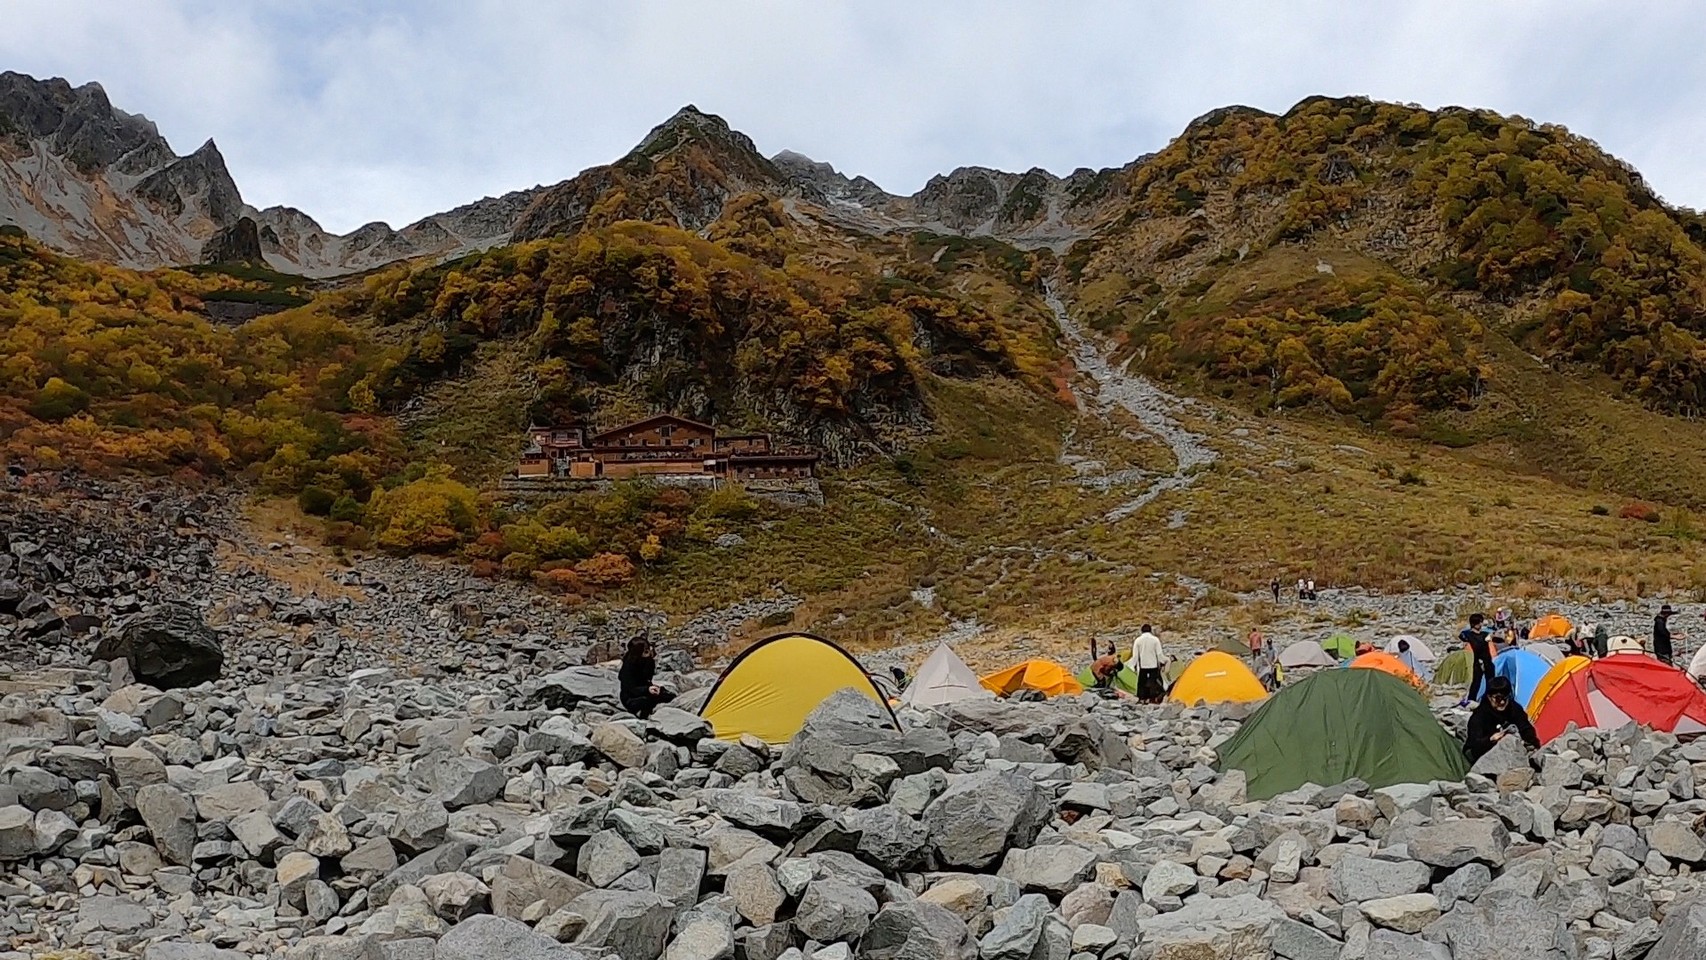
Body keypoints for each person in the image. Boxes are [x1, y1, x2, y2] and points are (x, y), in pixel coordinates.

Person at [1464, 676, 1539, 762]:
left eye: (1505, 698)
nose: (1502, 702)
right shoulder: (1479, 716)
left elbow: (1526, 729)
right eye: (1498, 699)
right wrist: (1490, 740)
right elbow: (1474, 745)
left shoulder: (1514, 709)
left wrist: (1531, 744)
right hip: (1481, 752)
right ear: (1489, 697)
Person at [618, 636, 675, 719]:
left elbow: (648, 679)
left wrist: (653, 688)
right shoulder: (628, 666)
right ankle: (642, 717)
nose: (649, 652)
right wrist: (647, 690)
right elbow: (630, 689)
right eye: (645, 651)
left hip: (645, 690)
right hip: (630, 698)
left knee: (668, 695)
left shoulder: (649, 661)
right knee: (646, 701)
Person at [1458, 613, 1496, 708]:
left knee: (1490, 682)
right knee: (1476, 682)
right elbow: (1462, 636)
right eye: (1480, 622)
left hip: (1487, 661)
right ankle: (1471, 700)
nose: (1481, 624)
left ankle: (1489, 700)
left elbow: (1491, 638)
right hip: (1477, 661)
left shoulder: (1484, 634)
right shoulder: (1469, 635)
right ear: (1476, 623)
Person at [1131, 625, 1166, 704]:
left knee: (1142, 682)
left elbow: (1135, 655)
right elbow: (1159, 654)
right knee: (1153, 682)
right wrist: (1163, 662)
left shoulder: (1138, 640)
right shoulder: (1155, 640)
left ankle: (1142, 698)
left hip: (1143, 665)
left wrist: (1134, 665)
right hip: (1153, 665)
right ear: (1150, 631)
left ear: (1142, 631)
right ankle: (1152, 698)